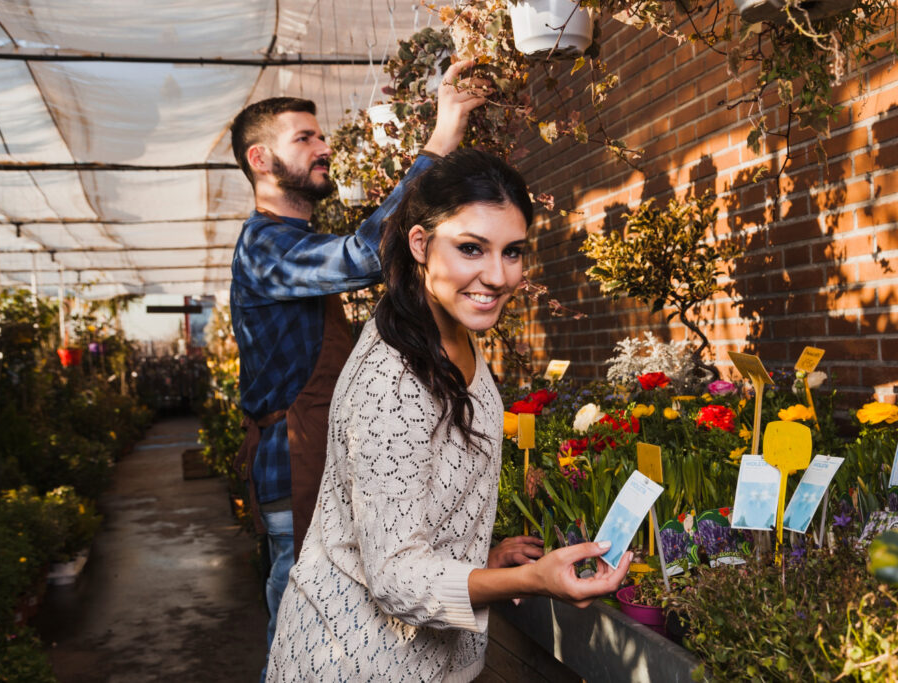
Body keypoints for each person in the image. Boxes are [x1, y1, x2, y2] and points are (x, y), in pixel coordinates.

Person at [266, 149, 632, 682]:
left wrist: (479, 553)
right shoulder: (390, 380)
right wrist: (534, 581)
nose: (497, 276)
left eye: (513, 252)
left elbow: (405, 508)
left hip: (425, 660)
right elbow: (395, 577)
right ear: (420, 243)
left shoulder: (451, 334)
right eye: (470, 248)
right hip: (353, 660)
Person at [228, 59, 488, 682]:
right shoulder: (264, 245)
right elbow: (366, 253)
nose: (324, 148)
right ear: (261, 160)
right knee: (303, 614)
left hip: (318, 451)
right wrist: (440, 139)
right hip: (295, 459)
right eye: (305, 139)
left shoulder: (290, 240)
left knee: (332, 603)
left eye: (320, 136)